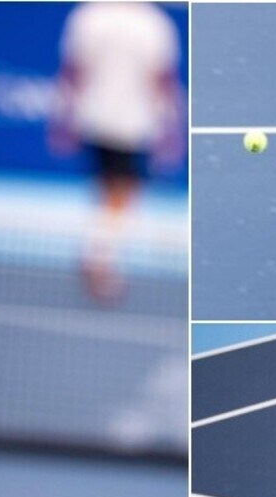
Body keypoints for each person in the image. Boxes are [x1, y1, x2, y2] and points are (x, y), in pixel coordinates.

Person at [47, 1, 184, 303]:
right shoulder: (155, 23)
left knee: (107, 192)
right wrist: (171, 131)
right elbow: (163, 82)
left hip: (93, 120)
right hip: (133, 127)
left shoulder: (88, 15)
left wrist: (63, 120)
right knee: (122, 195)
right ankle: (99, 259)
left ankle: (99, 255)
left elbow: (72, 73)